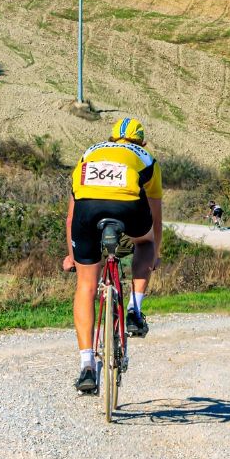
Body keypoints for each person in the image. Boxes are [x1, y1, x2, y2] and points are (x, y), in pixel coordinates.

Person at [62, 117, 163, 394]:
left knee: (86, 286)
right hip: (128, 208)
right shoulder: (146, 158)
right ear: (141, 141)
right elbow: (155, 215)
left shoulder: (90, 152)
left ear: (110, 138)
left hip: (87, 210)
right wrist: (155, 252)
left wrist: (72, 256)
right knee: (144, 243)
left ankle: (86, 364)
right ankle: (134, 308)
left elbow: (71, 214)